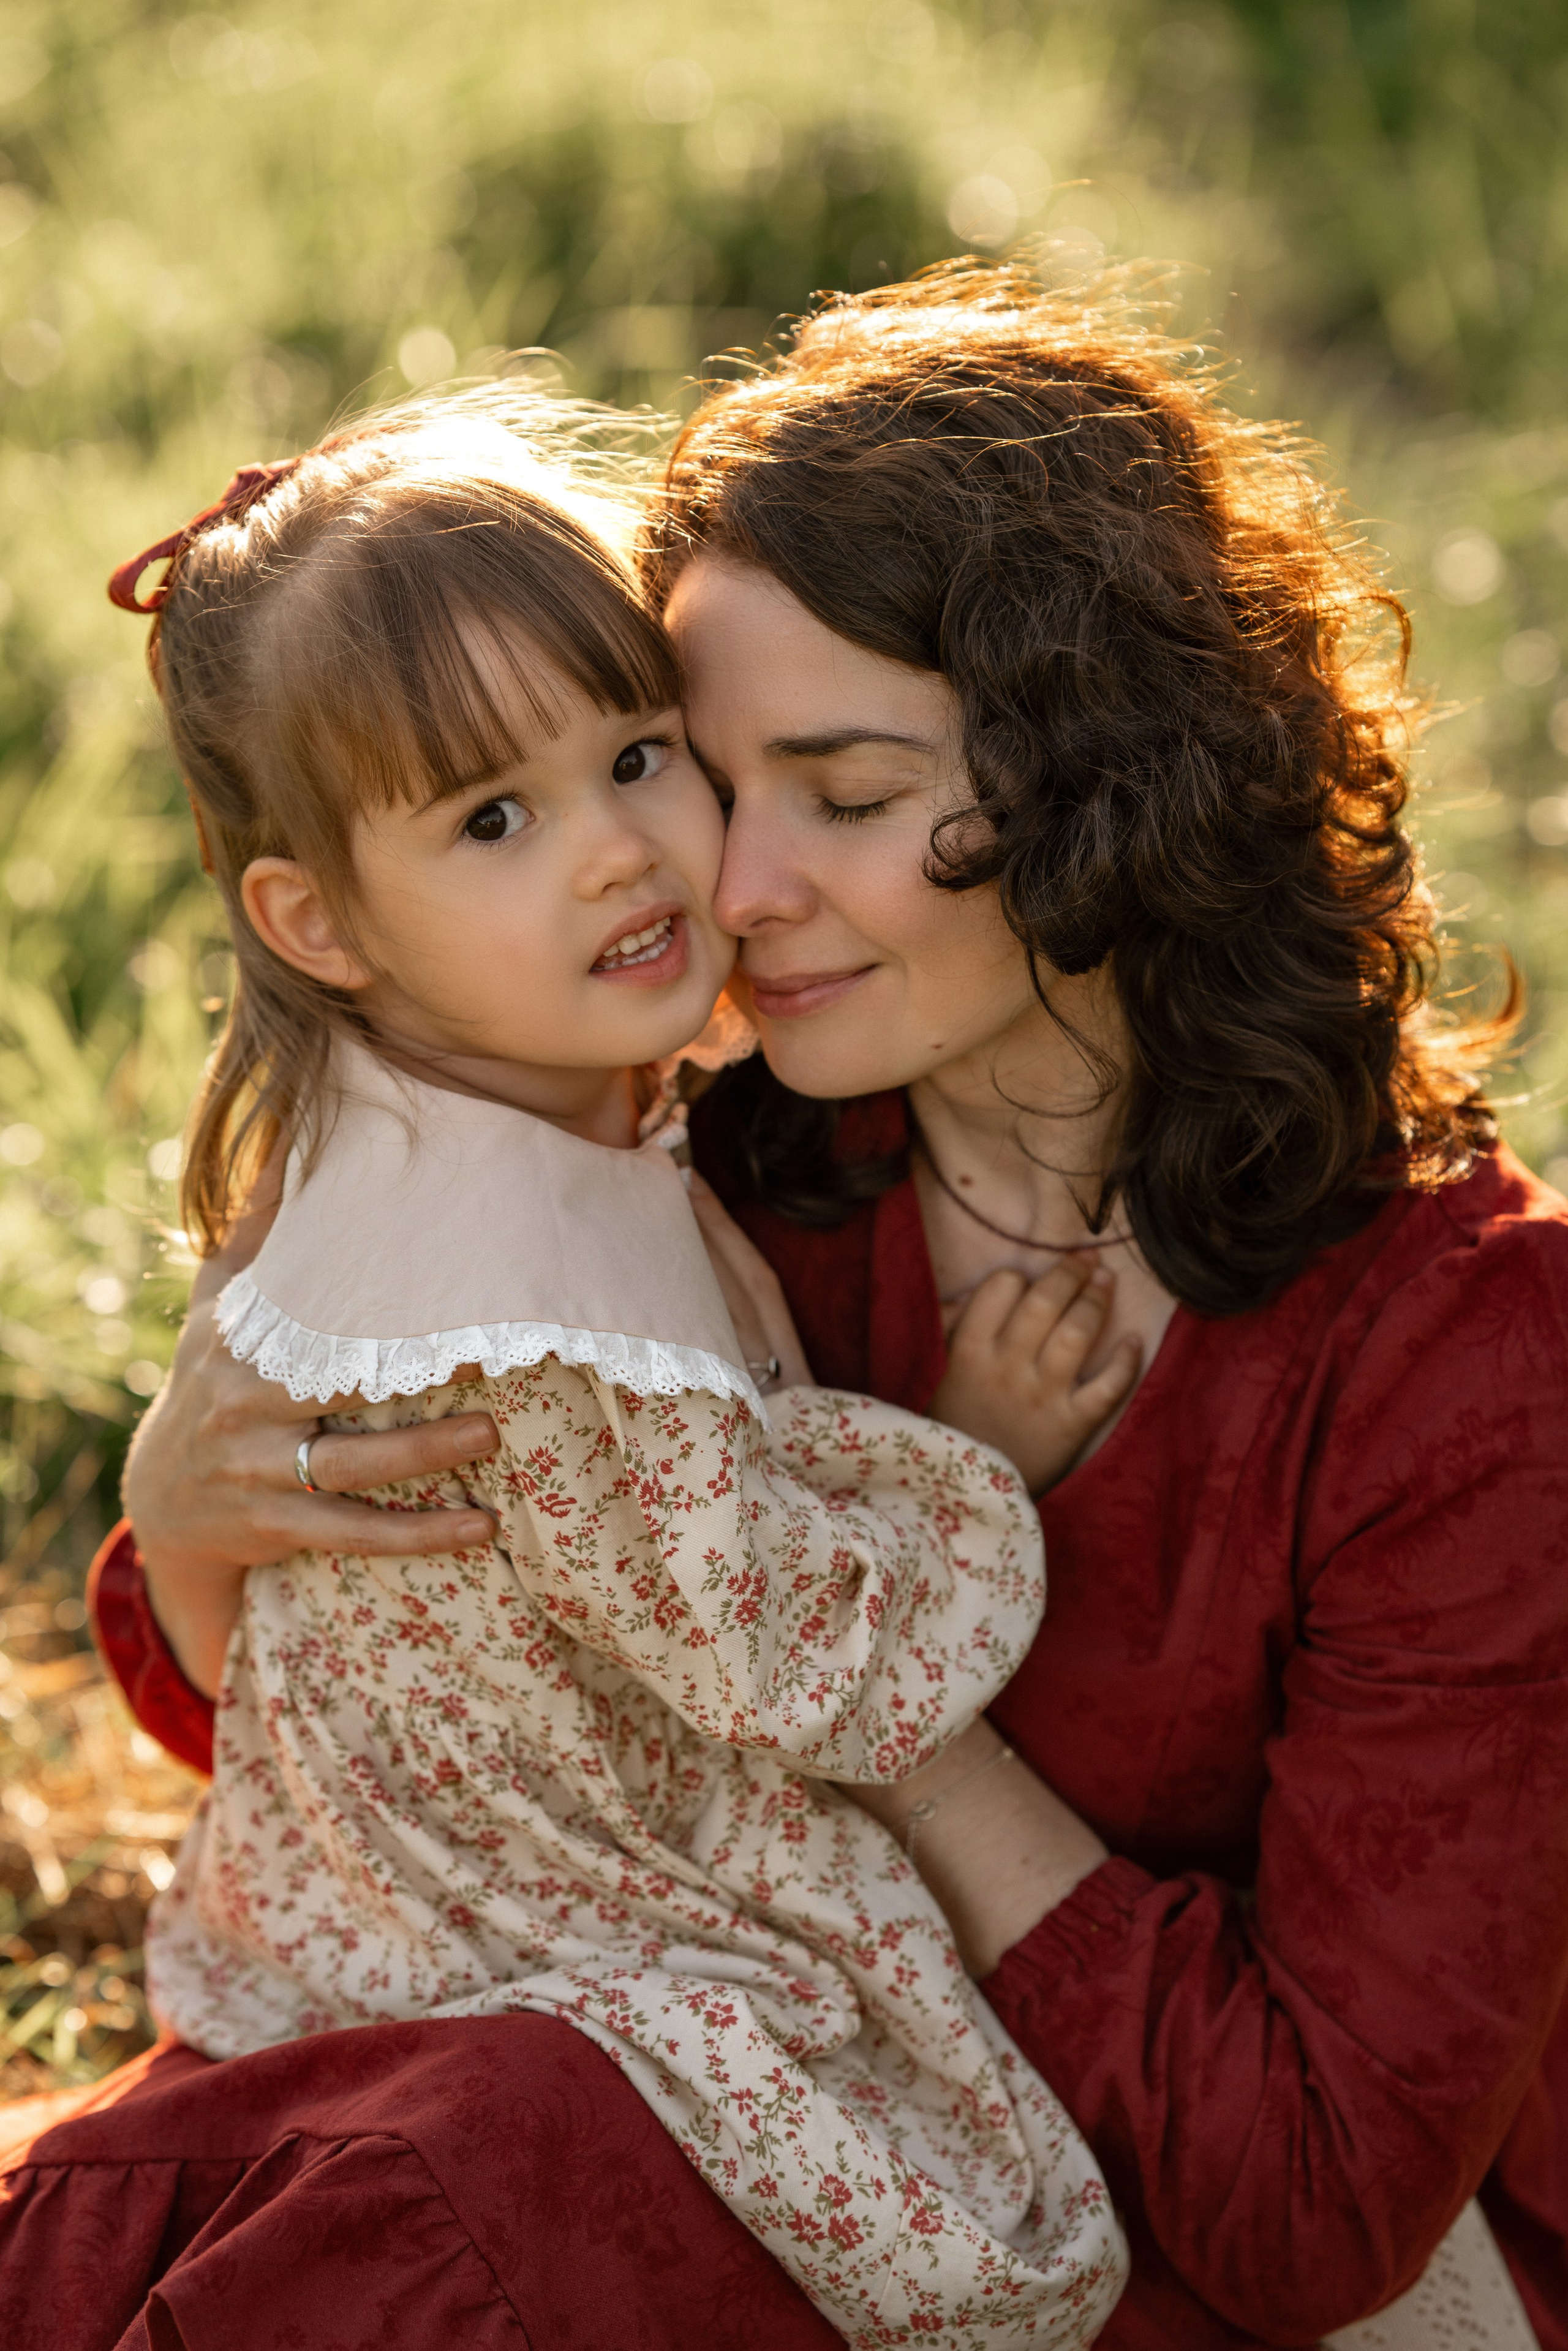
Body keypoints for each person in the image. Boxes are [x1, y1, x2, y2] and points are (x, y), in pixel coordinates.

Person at [9, 258, 1568, 2349]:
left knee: (466, 2162)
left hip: (1168, 2250)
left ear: (1105, 778)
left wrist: (869, 1726)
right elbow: (435, 1745)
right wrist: (186, 1506)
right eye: (703, 773)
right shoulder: (737, 1151)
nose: (721, 891)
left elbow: (1308, 2201)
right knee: (169, 2209)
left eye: (837, 801)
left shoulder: (1466, 1359)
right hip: (714, 2082)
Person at [29, 391, 1129, 2349]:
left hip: (343, 1911)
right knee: (956, 2201)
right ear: (317, 921)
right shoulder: (529, 1316)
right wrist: (970, 1462)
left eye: (637, 755)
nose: (624, 853)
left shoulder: (436, 1105)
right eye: (495, 820)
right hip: (529, 1916)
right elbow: (772, 1659)